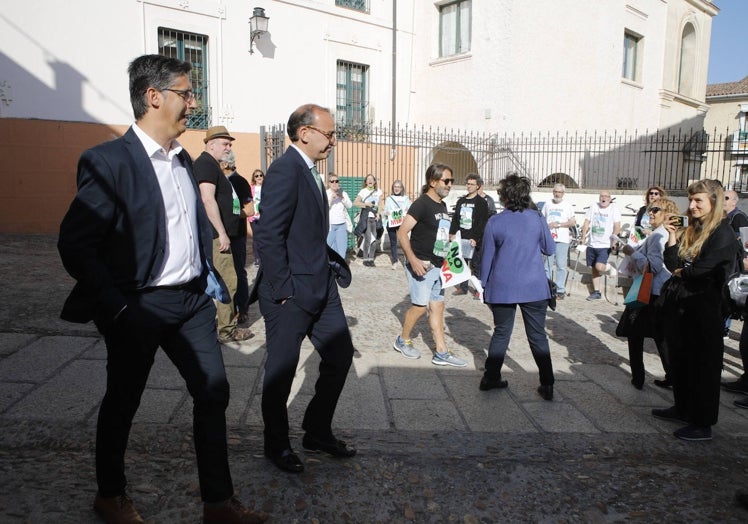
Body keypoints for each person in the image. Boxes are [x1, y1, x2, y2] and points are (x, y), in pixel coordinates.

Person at [57, 54, 266, 524]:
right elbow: (75, 245)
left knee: (213, 391)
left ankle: (218, 503)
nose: (193, 102)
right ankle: (110, 494)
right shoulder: (107, 161)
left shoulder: (184, 158)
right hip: (138, 304)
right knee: (123, 399)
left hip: (191, 302)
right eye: (186, 93)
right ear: (154, 97)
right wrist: (116, 307)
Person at [252, 104, 356, 474]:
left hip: (321, 285)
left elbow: (306, 231)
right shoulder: (285, 170)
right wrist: (282, 289)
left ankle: (316, 430)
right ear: (305, 133)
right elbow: (268, 234)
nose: (334, 141)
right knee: (282, 371)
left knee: (340, 355)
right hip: (291, 291)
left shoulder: (310, 170)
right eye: (330, 134)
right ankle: (276, 444)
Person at [652, 179, 740, 441]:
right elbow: (672, 262)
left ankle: (702, 423)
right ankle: (683, 408)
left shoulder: (723, 234)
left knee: (703, 366)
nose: (691, 205)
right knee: (681, 360)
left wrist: (684, 270)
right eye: (690, 200)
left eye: (698, 200)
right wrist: (670, 236)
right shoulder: (694, 230)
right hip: (682, 305)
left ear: (713, 202)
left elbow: (701, 271)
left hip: (704, 307)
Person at [478, 173, 556, 400]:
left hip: (502, 285)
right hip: (534, 286)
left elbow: (487, 258)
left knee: (501, 333)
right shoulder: (537, 218)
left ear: (505, 197)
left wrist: (483, 285)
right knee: (538, 336)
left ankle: (490, 377)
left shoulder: (495, 221)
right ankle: (547, 383)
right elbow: (549, 249)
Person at [393, 163, 468, 367]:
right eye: (446, 180)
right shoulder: (421, 204)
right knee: (419, 307)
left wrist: (451, 241)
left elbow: (438, 233)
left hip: (438, 265)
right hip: (422, 264)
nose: (450, 184)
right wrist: (413, 260)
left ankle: (441, 352)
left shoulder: (442, 206)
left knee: (438, 307)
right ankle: (402, 340)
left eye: (451, 181)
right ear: (433, 182)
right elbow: (401, 232)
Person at [194, 125, 252, 343]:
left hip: (217, 234)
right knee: (227, 281)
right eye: (225, 144)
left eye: (230, 144)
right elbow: (207, 199)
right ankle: (226, 331)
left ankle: (218, 326)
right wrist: (221, 232)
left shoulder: (211, 165)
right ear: (211, 144)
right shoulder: (207, 165)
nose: (229, 148)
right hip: (216, 236)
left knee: (223, 281)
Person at [619, 198, 679, 390]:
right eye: (649, 210)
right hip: (661, 291)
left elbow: (653, 266)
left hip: (650, 291)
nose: (650, 213)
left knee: (635, 334)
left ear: (666, 213)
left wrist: (631, 252)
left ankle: (638, 377)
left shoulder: (656, 236)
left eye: (655, 210)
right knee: (661, 337)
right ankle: (672, 376)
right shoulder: (666, 234)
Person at [225, 151, 254, 326]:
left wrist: (229, 215)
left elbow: (250, 211)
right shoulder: (216, 180)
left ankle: (242, 309)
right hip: (221, 235)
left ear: (226, 164)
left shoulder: (239, 181)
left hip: (237, 235)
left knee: (238, 272)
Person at [449, 173, 489, 296]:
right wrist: (452, 233)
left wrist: (476, 238)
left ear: (478, 186)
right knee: (462, 264)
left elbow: (483, 222)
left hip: (474, 240)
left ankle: (478, 289)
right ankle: (463, 287)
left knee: (476, 265)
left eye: (472, 184)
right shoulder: (461, 201)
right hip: (462, 237)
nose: (469, 186)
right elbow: (455, 219)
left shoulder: (481, 203)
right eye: (468, 184)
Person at [580, 190, 621, 300]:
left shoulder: (614, 209)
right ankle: (597, 292)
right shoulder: (593, 206)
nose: (603, 198)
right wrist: (583, 237)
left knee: (599, 266)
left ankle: (611, 266)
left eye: (606, 196)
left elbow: (617, 226)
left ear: (610, 198)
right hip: (592, 243)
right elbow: (586, 222)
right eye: (601, 196)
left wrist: (614, 240)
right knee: (593, 267)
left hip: (605, 244)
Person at [541, 183, 576, 299]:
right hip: (549, 238)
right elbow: (541, 219)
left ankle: (560, 289)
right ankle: (547, 287)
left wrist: (560, 224)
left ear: (563, 194)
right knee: (547, 265)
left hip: (562, 239)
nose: (557, 194)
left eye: (560, 192)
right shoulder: (547, 204)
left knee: (561, 265)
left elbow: (572, 222)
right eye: (555, 191)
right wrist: (548, 225)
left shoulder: (567, 206)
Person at [353, 174, 383, 267]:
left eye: (372, 179)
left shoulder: (379, 191)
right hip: (366, 218)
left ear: (374, 181)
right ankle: (365, 259)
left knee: (374, 240)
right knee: (368, 239)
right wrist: (366, 204)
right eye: (368, 179)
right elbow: (355, 203)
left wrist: (378, 213)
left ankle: (371, 259)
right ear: (366, 182)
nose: (370, 181)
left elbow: (381, 204)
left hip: (375, 218)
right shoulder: (363, 191)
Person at [382, 179, 411, 270]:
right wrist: (386, 213)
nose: (397, 188)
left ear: (402, 188)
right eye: (395, 187)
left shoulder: (405, 198)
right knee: (393, 242)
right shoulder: (389, 198)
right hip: (391, 223)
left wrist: (406, 211)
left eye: (398, 187)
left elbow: (409, 209)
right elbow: (385, 210)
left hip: (402, 223)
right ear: (392, 188)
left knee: (404, 241)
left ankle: (407, 260)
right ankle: (395, 261)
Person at [326, 172, 353, 260]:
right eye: (332, 181)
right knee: (328, 247)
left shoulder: (343, 193)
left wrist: (342, 198)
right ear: (328, 183)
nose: (334, 183)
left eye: (336, 181)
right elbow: (323, 208)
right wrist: (331, 200)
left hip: (341, 225)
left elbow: (350, 205)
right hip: (330, 226)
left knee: (341, 249)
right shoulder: (326, 193)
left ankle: (340, 269)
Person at [249, 169, 264, 267]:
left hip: (264, 216)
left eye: (260, 175)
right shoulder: (251, 188)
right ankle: (257, 258)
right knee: (256, 237)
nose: (259, 177)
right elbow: (247, 200)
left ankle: (264, 257)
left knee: (264, 237)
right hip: (253, 216)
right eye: (256, 176)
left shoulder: (267, 188)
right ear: (254, 178)